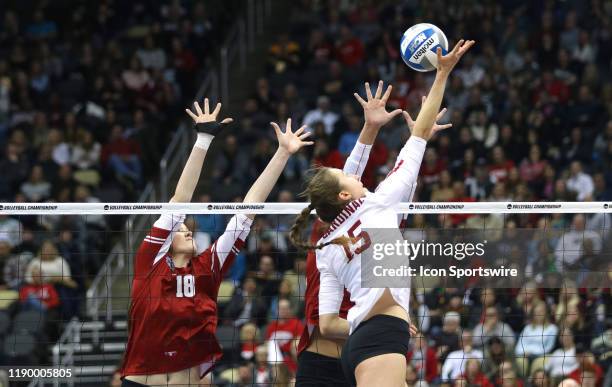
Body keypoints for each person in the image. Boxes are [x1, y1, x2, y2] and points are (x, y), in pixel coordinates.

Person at [289, 40, 474, 387]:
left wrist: (372, 129)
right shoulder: (378, 206)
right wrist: (443, 73)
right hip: (370, 337)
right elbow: (416, 137)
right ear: (344, 194)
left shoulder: (327, 242)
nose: (354, 174)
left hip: (360, 339)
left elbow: (328, 322)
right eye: (346, 176)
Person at [118, 98, 313, 386]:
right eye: (180, 228)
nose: (186, 231)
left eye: (188, 229)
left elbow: (247, 211)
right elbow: (180, 200)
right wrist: (204, 138)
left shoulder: (208, 266)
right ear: (165, 241)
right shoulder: (150, 262)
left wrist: (282, 154)